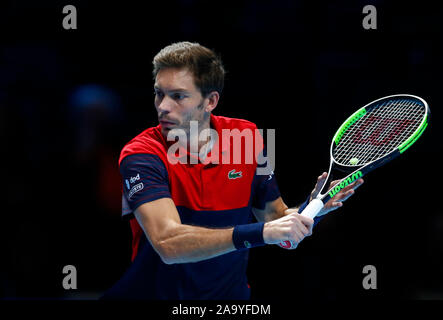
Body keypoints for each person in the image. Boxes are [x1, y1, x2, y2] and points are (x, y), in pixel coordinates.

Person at [102, 42, 363, 300]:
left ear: (210, 100)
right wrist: (262, 233)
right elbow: (168, 243)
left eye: (178, 96)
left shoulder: (245, 137)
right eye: (159, 93)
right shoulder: (142, 153)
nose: (163, 106)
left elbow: (274, 218)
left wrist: (313, 208)